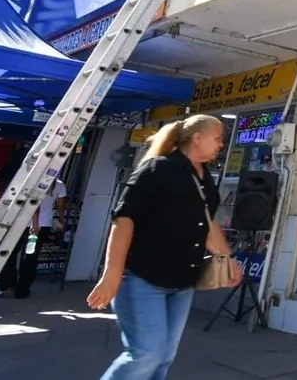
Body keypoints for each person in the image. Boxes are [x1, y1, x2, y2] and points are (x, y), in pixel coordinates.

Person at [89, 115, 240, 380]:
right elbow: (124, 220)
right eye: (217, 138)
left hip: (182, 284)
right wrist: (111, 274)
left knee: (163, 358)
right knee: (145, 354)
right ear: (197, 137)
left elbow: (206, 223)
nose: (221, 145)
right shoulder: (157, 169)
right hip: (142, 279)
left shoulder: (204, 178)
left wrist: (228, 259)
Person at [0, 175, 66, 298]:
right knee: (31, 257)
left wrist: (34, 223)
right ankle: (22, 290)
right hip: (43, 225)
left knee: (10, 252)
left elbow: (34, 204)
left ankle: (9, 285)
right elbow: (60, 206)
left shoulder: (34, 180)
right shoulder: (60, 185)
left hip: (23, 224)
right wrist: (61, 221)